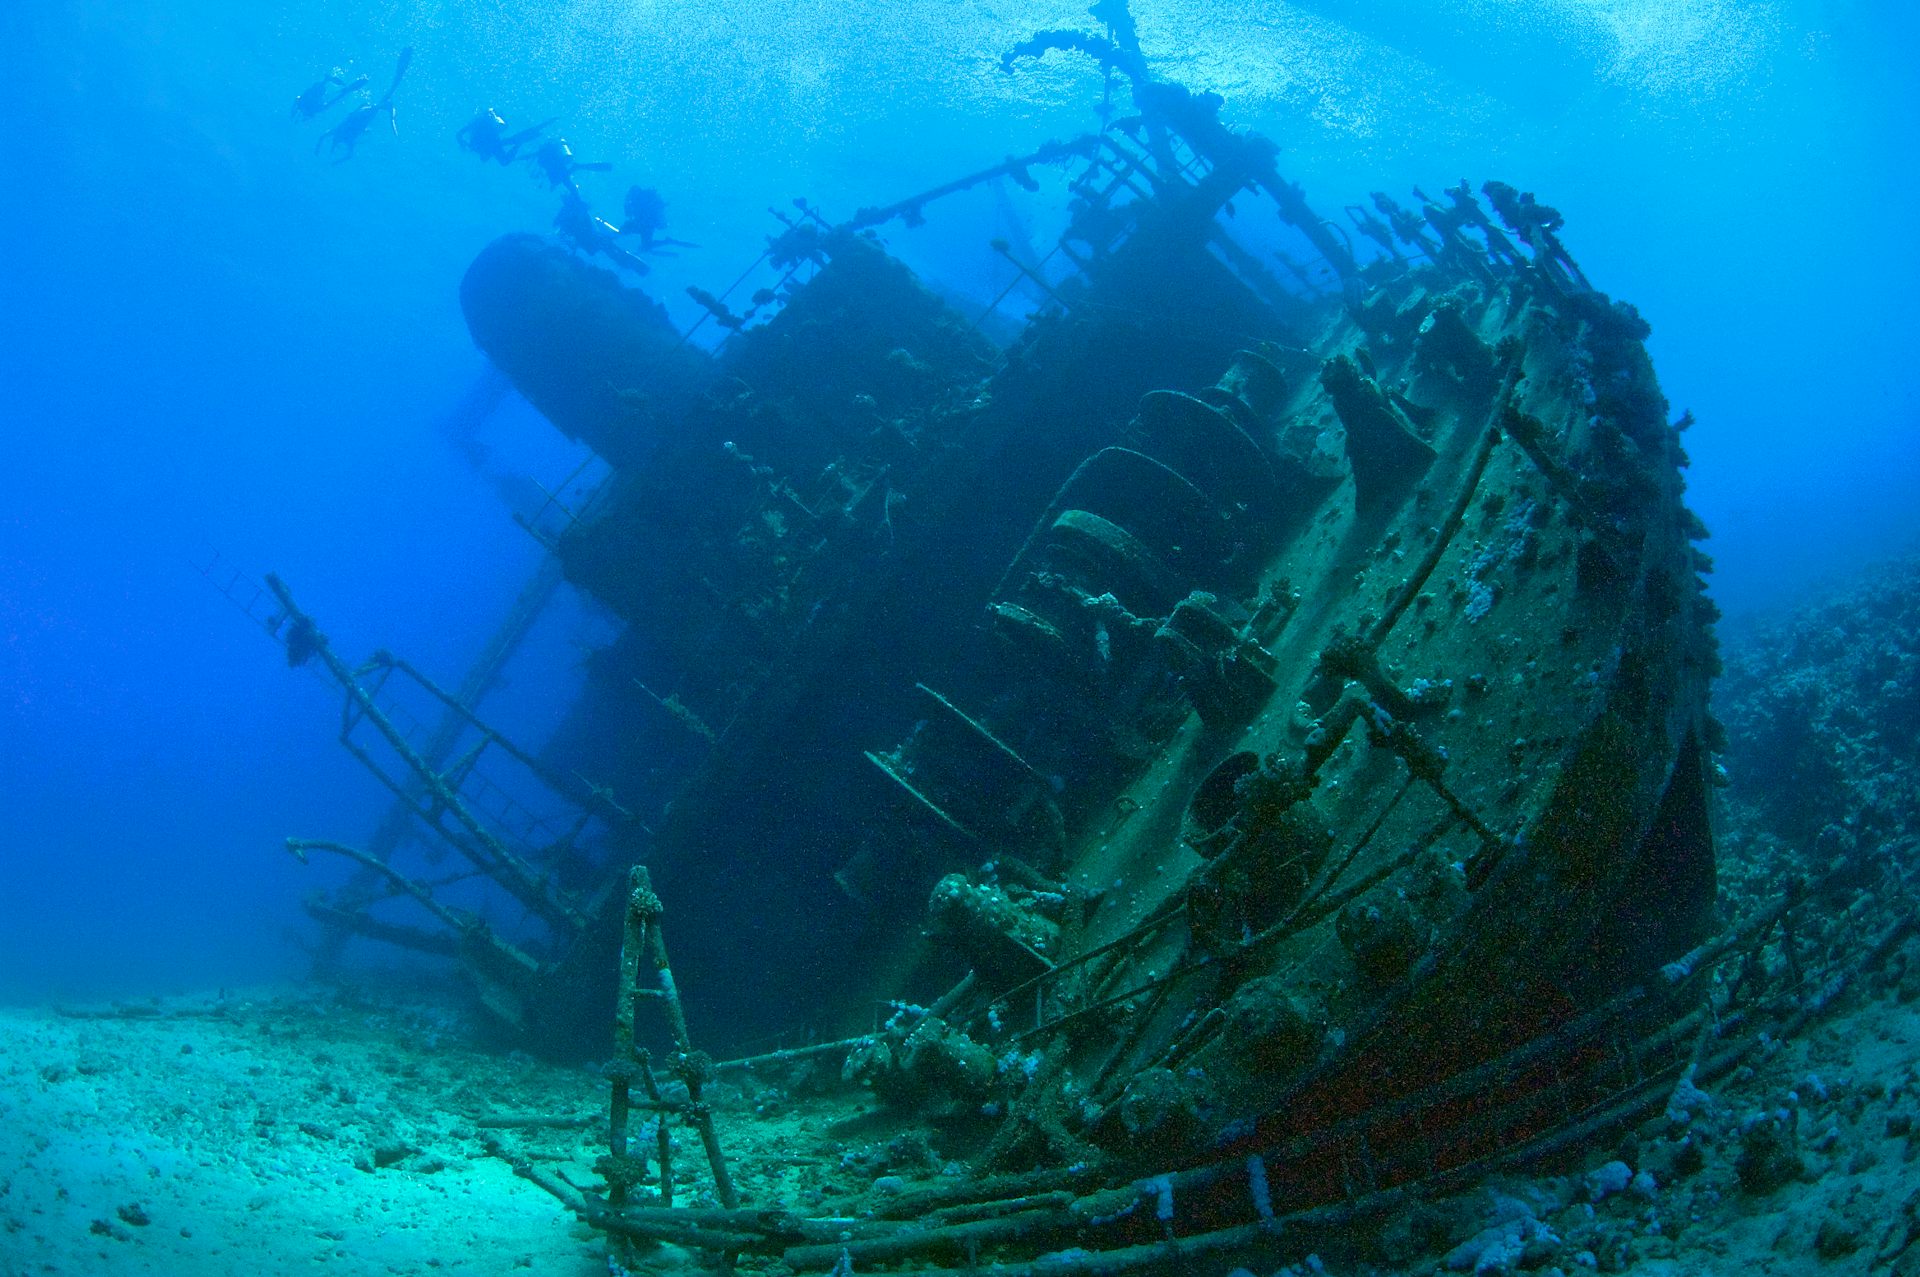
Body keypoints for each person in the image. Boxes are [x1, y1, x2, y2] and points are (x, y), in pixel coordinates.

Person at [314, 47, 413, 162]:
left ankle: (389, 108)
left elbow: (323, 138)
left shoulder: (340, 134)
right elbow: (325, 139)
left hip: (363, 113)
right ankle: (389, 107)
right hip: (364, 113)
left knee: (388, 95)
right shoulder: (344, 138)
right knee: (388, 94)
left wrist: (321, 151)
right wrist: (332, 159)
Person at [556, 188, 649, 276]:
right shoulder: (576, 209)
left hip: (590, 239)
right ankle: (639, 267)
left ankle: (639, 267)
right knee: (613, 251)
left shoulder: (576, 209)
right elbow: (562, 227)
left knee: (613, 252)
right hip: (591, 239)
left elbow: (564, 227)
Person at [456, 108, 558, 166]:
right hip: (494, 141)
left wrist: (463, 144)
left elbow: (459, 134)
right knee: (509, 147)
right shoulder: (477, 145)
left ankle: (520, 142)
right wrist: (463, 143)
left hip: (492, 142)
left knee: (506, 156)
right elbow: (459, 134)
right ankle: (535, 130)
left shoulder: (475, 143)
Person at [529, 137, 612, 194]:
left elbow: (542, 163)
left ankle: (576, 168)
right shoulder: (549, 151)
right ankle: (576, 168)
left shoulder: (544, 152)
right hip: (559, 166)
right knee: (564, 182)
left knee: (563, 181)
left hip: (557, 167)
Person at [291, 69, 369, 121]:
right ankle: (329, 81)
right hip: (318, 97)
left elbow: (329, 103)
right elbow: (329, 103)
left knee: (338, 93)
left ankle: (328, 81)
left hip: (317, 97)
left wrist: (294, 112)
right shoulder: (306, 105)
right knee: (339, 92)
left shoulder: (304, 104)